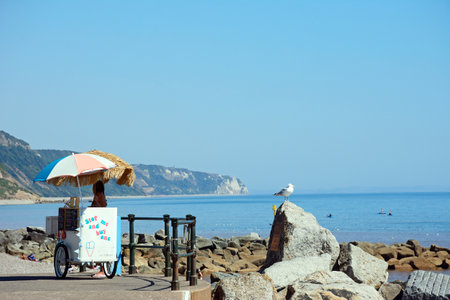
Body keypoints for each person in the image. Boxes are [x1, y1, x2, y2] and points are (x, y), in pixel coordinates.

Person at [91, 180, 107, 279]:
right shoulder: (99, 195)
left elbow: (103, 206)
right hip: (98, 222)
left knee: (100, 245)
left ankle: (102, 270)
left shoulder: (99, 195)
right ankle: (100, 268)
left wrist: (96, 201)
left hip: (99, 223)